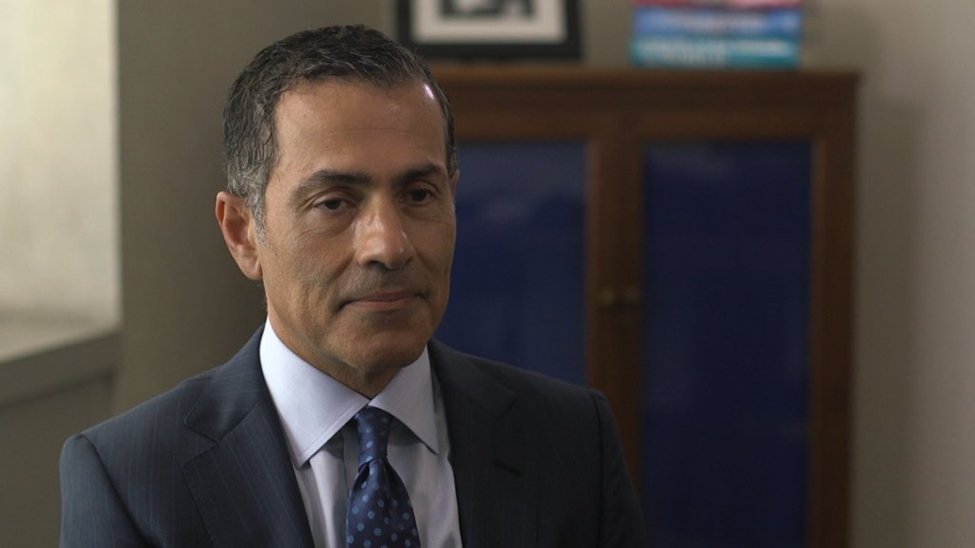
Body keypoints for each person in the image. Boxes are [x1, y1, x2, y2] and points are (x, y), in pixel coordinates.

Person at [59, 25, 646, 547]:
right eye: (334, 202)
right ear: (243, 233)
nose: (389, 246)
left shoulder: (572, 439)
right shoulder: (130, 479)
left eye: (419, 195)